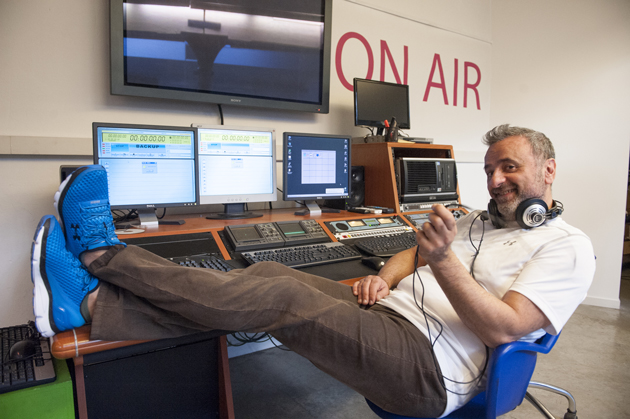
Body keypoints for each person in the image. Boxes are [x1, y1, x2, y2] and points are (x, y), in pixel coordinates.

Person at [30, 125, 595, 417]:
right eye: (492, 168)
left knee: (278, 302)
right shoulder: (480, 221)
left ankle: (103, 257)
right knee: (268, 273)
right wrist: (391, 274)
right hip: (388, 316)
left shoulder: (569, 247)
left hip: (430, 369)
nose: (496, 180)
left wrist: (443, 259)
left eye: (510, 167)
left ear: (547, 171)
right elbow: (415, 252)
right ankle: (86, 308)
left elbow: (503, 327)